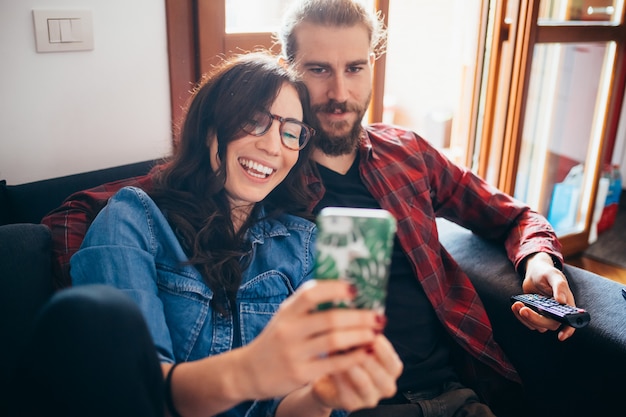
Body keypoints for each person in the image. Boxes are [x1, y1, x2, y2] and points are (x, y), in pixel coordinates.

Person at [10, 51, 402, 417]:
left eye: (291, 131)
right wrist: (251, 370)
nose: (271, 145)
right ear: (211, 126)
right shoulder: (133, 218)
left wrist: (321, 396)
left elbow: (283, 407)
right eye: (254, 120)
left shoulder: (301, 245)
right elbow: (132, 391)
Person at [273, 0, 579, 416]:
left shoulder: (407, 152)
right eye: (319, 69)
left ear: (371, 67)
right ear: (289, 70)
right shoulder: (268, 172)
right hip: (342, 404)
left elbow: (514, 216)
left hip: (452, 394)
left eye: (355, 68)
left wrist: (540, 262)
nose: (339, 94)